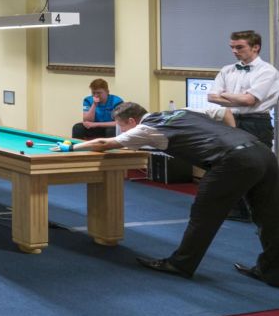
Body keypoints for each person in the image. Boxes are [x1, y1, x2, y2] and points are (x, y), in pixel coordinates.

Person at [71, 102, 278, 286]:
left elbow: (103, 144)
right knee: (269, 216)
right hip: (262, 151)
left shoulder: (146, 129)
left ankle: (180, 264)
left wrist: (71, 147)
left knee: (204, 216)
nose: (121, 132)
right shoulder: (183, 111)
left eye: (121, 127)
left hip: (233, 161)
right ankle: (272, 271)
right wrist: (231, 135)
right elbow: (224, 111)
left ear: (132, 121)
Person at [208, 30, 279, 223]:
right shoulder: (227, 70)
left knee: (256, 166)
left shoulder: (267, 71)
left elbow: (249, 100)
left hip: (256, 122)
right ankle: (238, 210)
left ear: (255, 47)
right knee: (229, 164)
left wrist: (225, 95)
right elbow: (211, 97)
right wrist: (236, 98)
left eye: (239, 47)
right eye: (232, 47)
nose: (234, 51)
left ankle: (262, 211)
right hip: (229, 118)